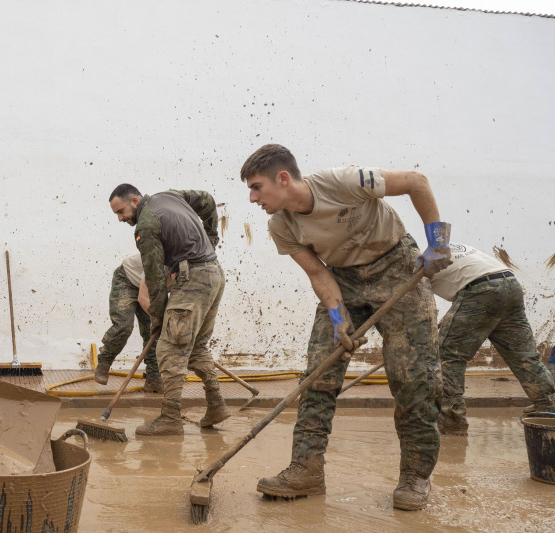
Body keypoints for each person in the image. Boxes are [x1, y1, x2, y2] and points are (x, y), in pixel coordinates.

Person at [241, 144, 451, 511]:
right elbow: (318, 273)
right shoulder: (281, 225)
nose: (252, 197)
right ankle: (306, 469)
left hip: (397, 265)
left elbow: (416, 182)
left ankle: (415, 476)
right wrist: (339, 321)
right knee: (318, 373)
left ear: (284, 178)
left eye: (257, 187)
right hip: (344, 282)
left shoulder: (345, 181)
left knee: (414, 377)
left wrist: (437, 243)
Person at [108, 184, 228, 436]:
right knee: (196, 347)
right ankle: (216, 404)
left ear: (134, 200)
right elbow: (207, 199)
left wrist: (158, 321)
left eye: (121, 211)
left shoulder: (146, 226)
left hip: (192, 279)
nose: (120, 218)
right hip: (214, 273)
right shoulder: (170, 196)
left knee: (169, 348)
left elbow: (154, 280)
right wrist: (211, 237)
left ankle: (170, 418)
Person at [432, 243, 555, 435]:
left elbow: (422, 308)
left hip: (480, 290)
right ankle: (547, 407)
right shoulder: (449, 248)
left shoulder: (413, 265)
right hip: (510, 285)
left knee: (448, 355)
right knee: (524, 355)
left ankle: (451, 421)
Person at [95, 254, 163, 393]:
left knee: (154, 331)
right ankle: (105, 359)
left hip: (152, 288)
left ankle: (154, 378)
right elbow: (142, 297)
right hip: (127, 280)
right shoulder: (160, 261)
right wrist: (159, 317)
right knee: (124, 326)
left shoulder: (187, 271)